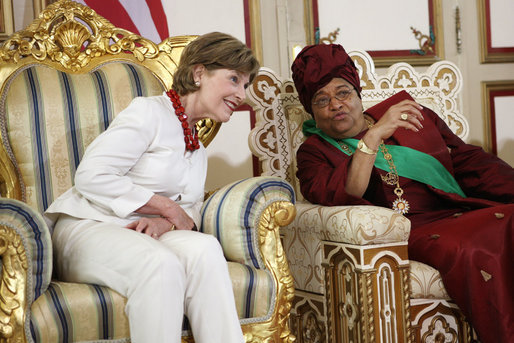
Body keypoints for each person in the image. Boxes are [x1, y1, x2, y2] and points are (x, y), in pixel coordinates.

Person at [44, 32, 259, 343]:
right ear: (199, 74)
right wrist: (166, 207)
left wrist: (163, 220)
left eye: (246, 84)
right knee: (160, 264)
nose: (242, 94)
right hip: (87, 225)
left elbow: (191, 207)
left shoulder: (196, 147)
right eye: (234, 79)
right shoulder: (148, 112)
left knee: (206, 249)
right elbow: (91, 175)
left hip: (140, 235)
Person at [291, 43, 514, 343]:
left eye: (343, 92)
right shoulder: (314, 153)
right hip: (411, 231)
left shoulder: (407, 114)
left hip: (458, 210)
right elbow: (344, 192)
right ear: (312, 111)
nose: (335, 104)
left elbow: (467, 161)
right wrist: (373, 136)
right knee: (472, 248)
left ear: (358, 93)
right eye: (322, 99)